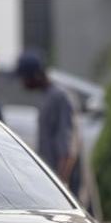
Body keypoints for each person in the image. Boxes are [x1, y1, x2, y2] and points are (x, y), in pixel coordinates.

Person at [16, 51, 81, 193]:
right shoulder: (47, 96)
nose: (22, 83)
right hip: (52, 181)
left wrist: (61, 186)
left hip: (65, 186)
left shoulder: (61, 97)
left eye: (24, 78)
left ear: (36, 75)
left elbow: (68, 150)